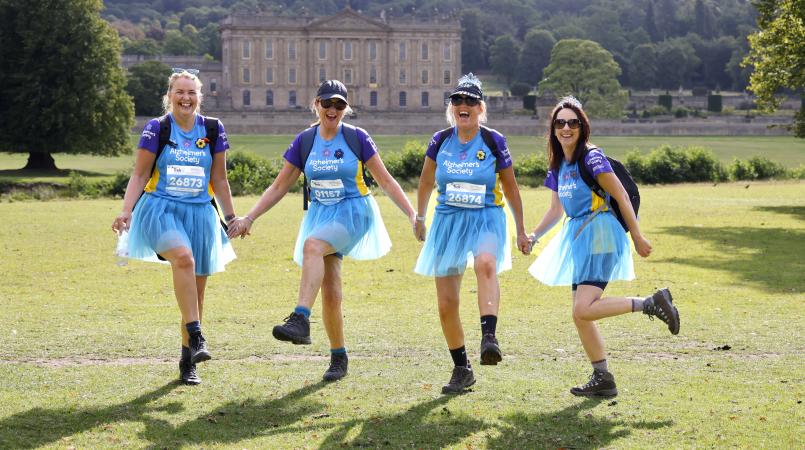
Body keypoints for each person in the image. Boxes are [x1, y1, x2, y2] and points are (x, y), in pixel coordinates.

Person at [227, 80, 416, 382]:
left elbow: (387, 180)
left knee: (312, 246)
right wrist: (250, 217)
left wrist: (411, 214)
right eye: (327, 104)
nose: (333, 110)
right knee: (330, 292)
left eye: (339, 105)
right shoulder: (305, 141)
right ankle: (338, 357)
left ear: (346, 108)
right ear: (316, 105)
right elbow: (279, 186)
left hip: (354, 211)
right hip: (321, 213)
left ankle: (300, 318)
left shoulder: (357, 137)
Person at [527, 96, 680, 398]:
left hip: (600, 233)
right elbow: (556, 210)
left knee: (584, 308)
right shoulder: (559, 164)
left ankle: (650, 303)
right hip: (577, 236)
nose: (566, 127)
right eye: (560, 123)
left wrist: (636, 235)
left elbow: (621, 195)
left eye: (573, 122)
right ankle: (603, 377)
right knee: (580, 314)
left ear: (582, 127)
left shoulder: (592, 157)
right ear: (553, 129)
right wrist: (534, 235)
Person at [111, 69, 237, 386]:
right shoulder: (158, 128)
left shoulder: (212, 128)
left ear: (200, 97)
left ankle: (187, 362)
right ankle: (197, 335)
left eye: (191, 92)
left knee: (196, 292)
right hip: (161, 209)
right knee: (183, 258)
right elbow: (139, 175)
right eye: (180, 92)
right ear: (170, 96)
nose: (185, 98)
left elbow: (219, 179)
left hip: (201, 214)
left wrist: (232, 216)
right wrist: (126, 210)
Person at [413, 73, 531, 395]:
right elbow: (425, 182)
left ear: (480, 107)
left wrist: (521, 229)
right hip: (448, 221)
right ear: (452, 108)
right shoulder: (440, 141)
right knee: (446, 303)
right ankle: (461, 368)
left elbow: (511, 187)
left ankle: (489, 337)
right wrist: (420, 216)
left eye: (469, 101)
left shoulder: (494, 141)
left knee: (486, 264)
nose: (462, 105)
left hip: (486, 218)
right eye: (457, 101)